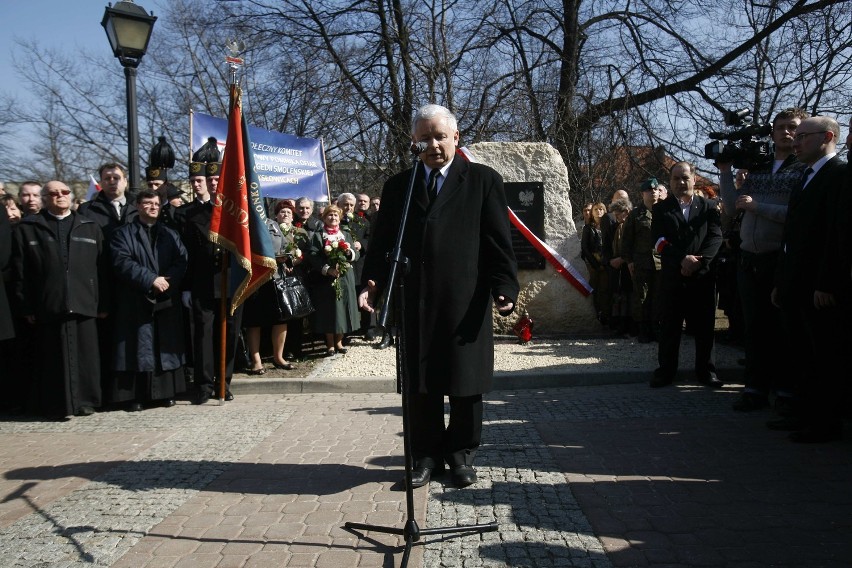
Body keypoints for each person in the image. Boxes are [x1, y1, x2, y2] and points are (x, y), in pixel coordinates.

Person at [360, 103, 519, 489]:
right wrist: (372, 284)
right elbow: (383, 242)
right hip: (415, 299)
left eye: (440, 136)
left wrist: (504, 287)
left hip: (466, 299)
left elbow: (498, 241)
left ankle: (461, 455)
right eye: (424, 138)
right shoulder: (401, 186)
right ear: (414, 144)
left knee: (465, 382)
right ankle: (425, 456)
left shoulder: (482, 180)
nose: (433, 145)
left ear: (455, 139)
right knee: (421, 383)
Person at [716, 107, 809, 413]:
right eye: (780, 127)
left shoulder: (803, 170)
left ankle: (786, 392)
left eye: (792, 127)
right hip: (748, 257)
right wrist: (726, 172)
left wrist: (759, 207)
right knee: (754, 329)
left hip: (779, 259)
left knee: (783, 330)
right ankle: (754, 389)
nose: (785, 132)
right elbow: (731, 207)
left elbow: (798, 217)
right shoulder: (757, 165)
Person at [770, 115, 847, 443]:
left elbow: (838, 232)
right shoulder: (805, 176)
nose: (795, 141)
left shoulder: (839, 175)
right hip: (794, 282)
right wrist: (780, 280)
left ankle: (825, 422)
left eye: (803, 135)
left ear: (827, 136)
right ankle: (803, 413)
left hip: (818, 286)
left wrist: (827, 282)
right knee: (800, 353)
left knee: (823, 356)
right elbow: (791, 233)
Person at [11, 181, 109, 419]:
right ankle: (57, 404)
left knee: (86, 358)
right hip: (48, 304)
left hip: (84, 302)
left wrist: (103, 302)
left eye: (64, 192)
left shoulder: (89, 226)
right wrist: (26, 305)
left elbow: (102, 269)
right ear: (45, 198)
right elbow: (20, 271)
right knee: (52, 358)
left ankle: (86, 401)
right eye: (53, 193)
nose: (59, 196)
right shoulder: (28, 228)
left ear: (71, 196)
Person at [108, 190, 188, 411]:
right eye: (148, 203)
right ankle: (136, 396)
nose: (153, 206)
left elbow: (181, 260)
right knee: (137, 348)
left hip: (164, 298)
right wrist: (150, 279)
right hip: (136, 298)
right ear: (138, 206)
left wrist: (166, 283)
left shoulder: (170, 233)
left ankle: (164, 394)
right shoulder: (123, 233)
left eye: (156, 203)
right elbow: (121, 261)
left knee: (164, 345)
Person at [650, 161, 723, 389]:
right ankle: (666, 371)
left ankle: (706, 371)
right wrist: (682, 259)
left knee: (704, 328)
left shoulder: (708, 206)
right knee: (670, 327)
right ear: (670, 182)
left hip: (702, 277)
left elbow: (715, 237)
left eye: (685, 178)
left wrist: (698, 263)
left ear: (693, 179)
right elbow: (659, 241)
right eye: (676, 179)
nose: (681, 183)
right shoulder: (662, 209)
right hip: (673, 277)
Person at [181, 160, 242, 405]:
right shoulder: (194, 214)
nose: (214, 183)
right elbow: (188, 253)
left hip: (233, 283)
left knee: (231, 333)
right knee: (204, 336)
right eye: (211, 180)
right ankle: (204, 384)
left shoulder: (237, 212)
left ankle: (223, 382)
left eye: (218, 180)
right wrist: (186, 286)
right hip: (203, 283)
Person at [242, 202, 304, 374]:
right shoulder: (245, 223)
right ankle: (256, 361)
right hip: (254, 279)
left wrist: (288, 258)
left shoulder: (273, 224)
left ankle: (279, 357)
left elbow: (285, 246)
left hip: (276, 279)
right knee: (254, 321)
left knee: (280, 319)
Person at [307, 204, 360, 356]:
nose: (333, 218)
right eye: (330, 215)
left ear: (340, 217)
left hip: (345, 277)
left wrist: (349, 254)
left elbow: (355, 253)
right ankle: (330, 344)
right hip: (326, 279)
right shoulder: (318, 236)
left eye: (336, 215)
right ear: (324, 218)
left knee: (343, 308)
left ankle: (339, 341)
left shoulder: (345, 234)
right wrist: (328, 270)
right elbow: (313, 256)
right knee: (329, 310)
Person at [621, 178, 663, 343]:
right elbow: (627, 240)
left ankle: (657, 327)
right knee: (642, 297)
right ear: (642, 193)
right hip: (641, 262)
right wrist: (629, 260)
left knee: (659, 296)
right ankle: (643, 329)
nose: (653, 192)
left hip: (661, 262)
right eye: (649, 190)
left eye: (655, 189)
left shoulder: (664, 211)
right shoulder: (636, 214)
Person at [338, 192, 372, 339]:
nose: (349, 207)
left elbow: (370, 238)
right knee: (347, 298)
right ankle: (346, 330)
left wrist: (361, 244)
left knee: (363, 294)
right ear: (339, 205)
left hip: (361, 265)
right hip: (343, 266)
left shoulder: (362, 221)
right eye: (346, 204)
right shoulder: (335, 221)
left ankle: (368, 328)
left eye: (351, 205)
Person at [581, 202, 609, 323]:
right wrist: (596, 265)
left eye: (601, 209)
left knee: (606, 289)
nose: (598, 211)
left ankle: (606, 315)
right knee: (595, 289)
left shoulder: (609, 226)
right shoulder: (588, 228)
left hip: (607, 263)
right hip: (593, 264)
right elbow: (585, 248)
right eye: (596, 209)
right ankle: (596, 314)